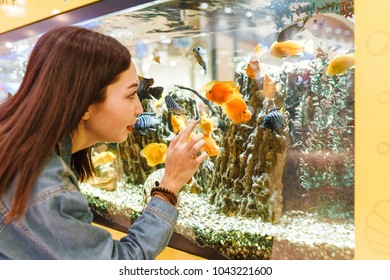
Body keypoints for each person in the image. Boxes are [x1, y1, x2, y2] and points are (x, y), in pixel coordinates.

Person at [0, 26, 207, 259]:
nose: (139, 108)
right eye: (130, 95)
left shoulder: (21, 143)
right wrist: (169, 185)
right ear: (85, 102)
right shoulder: (44, 187)